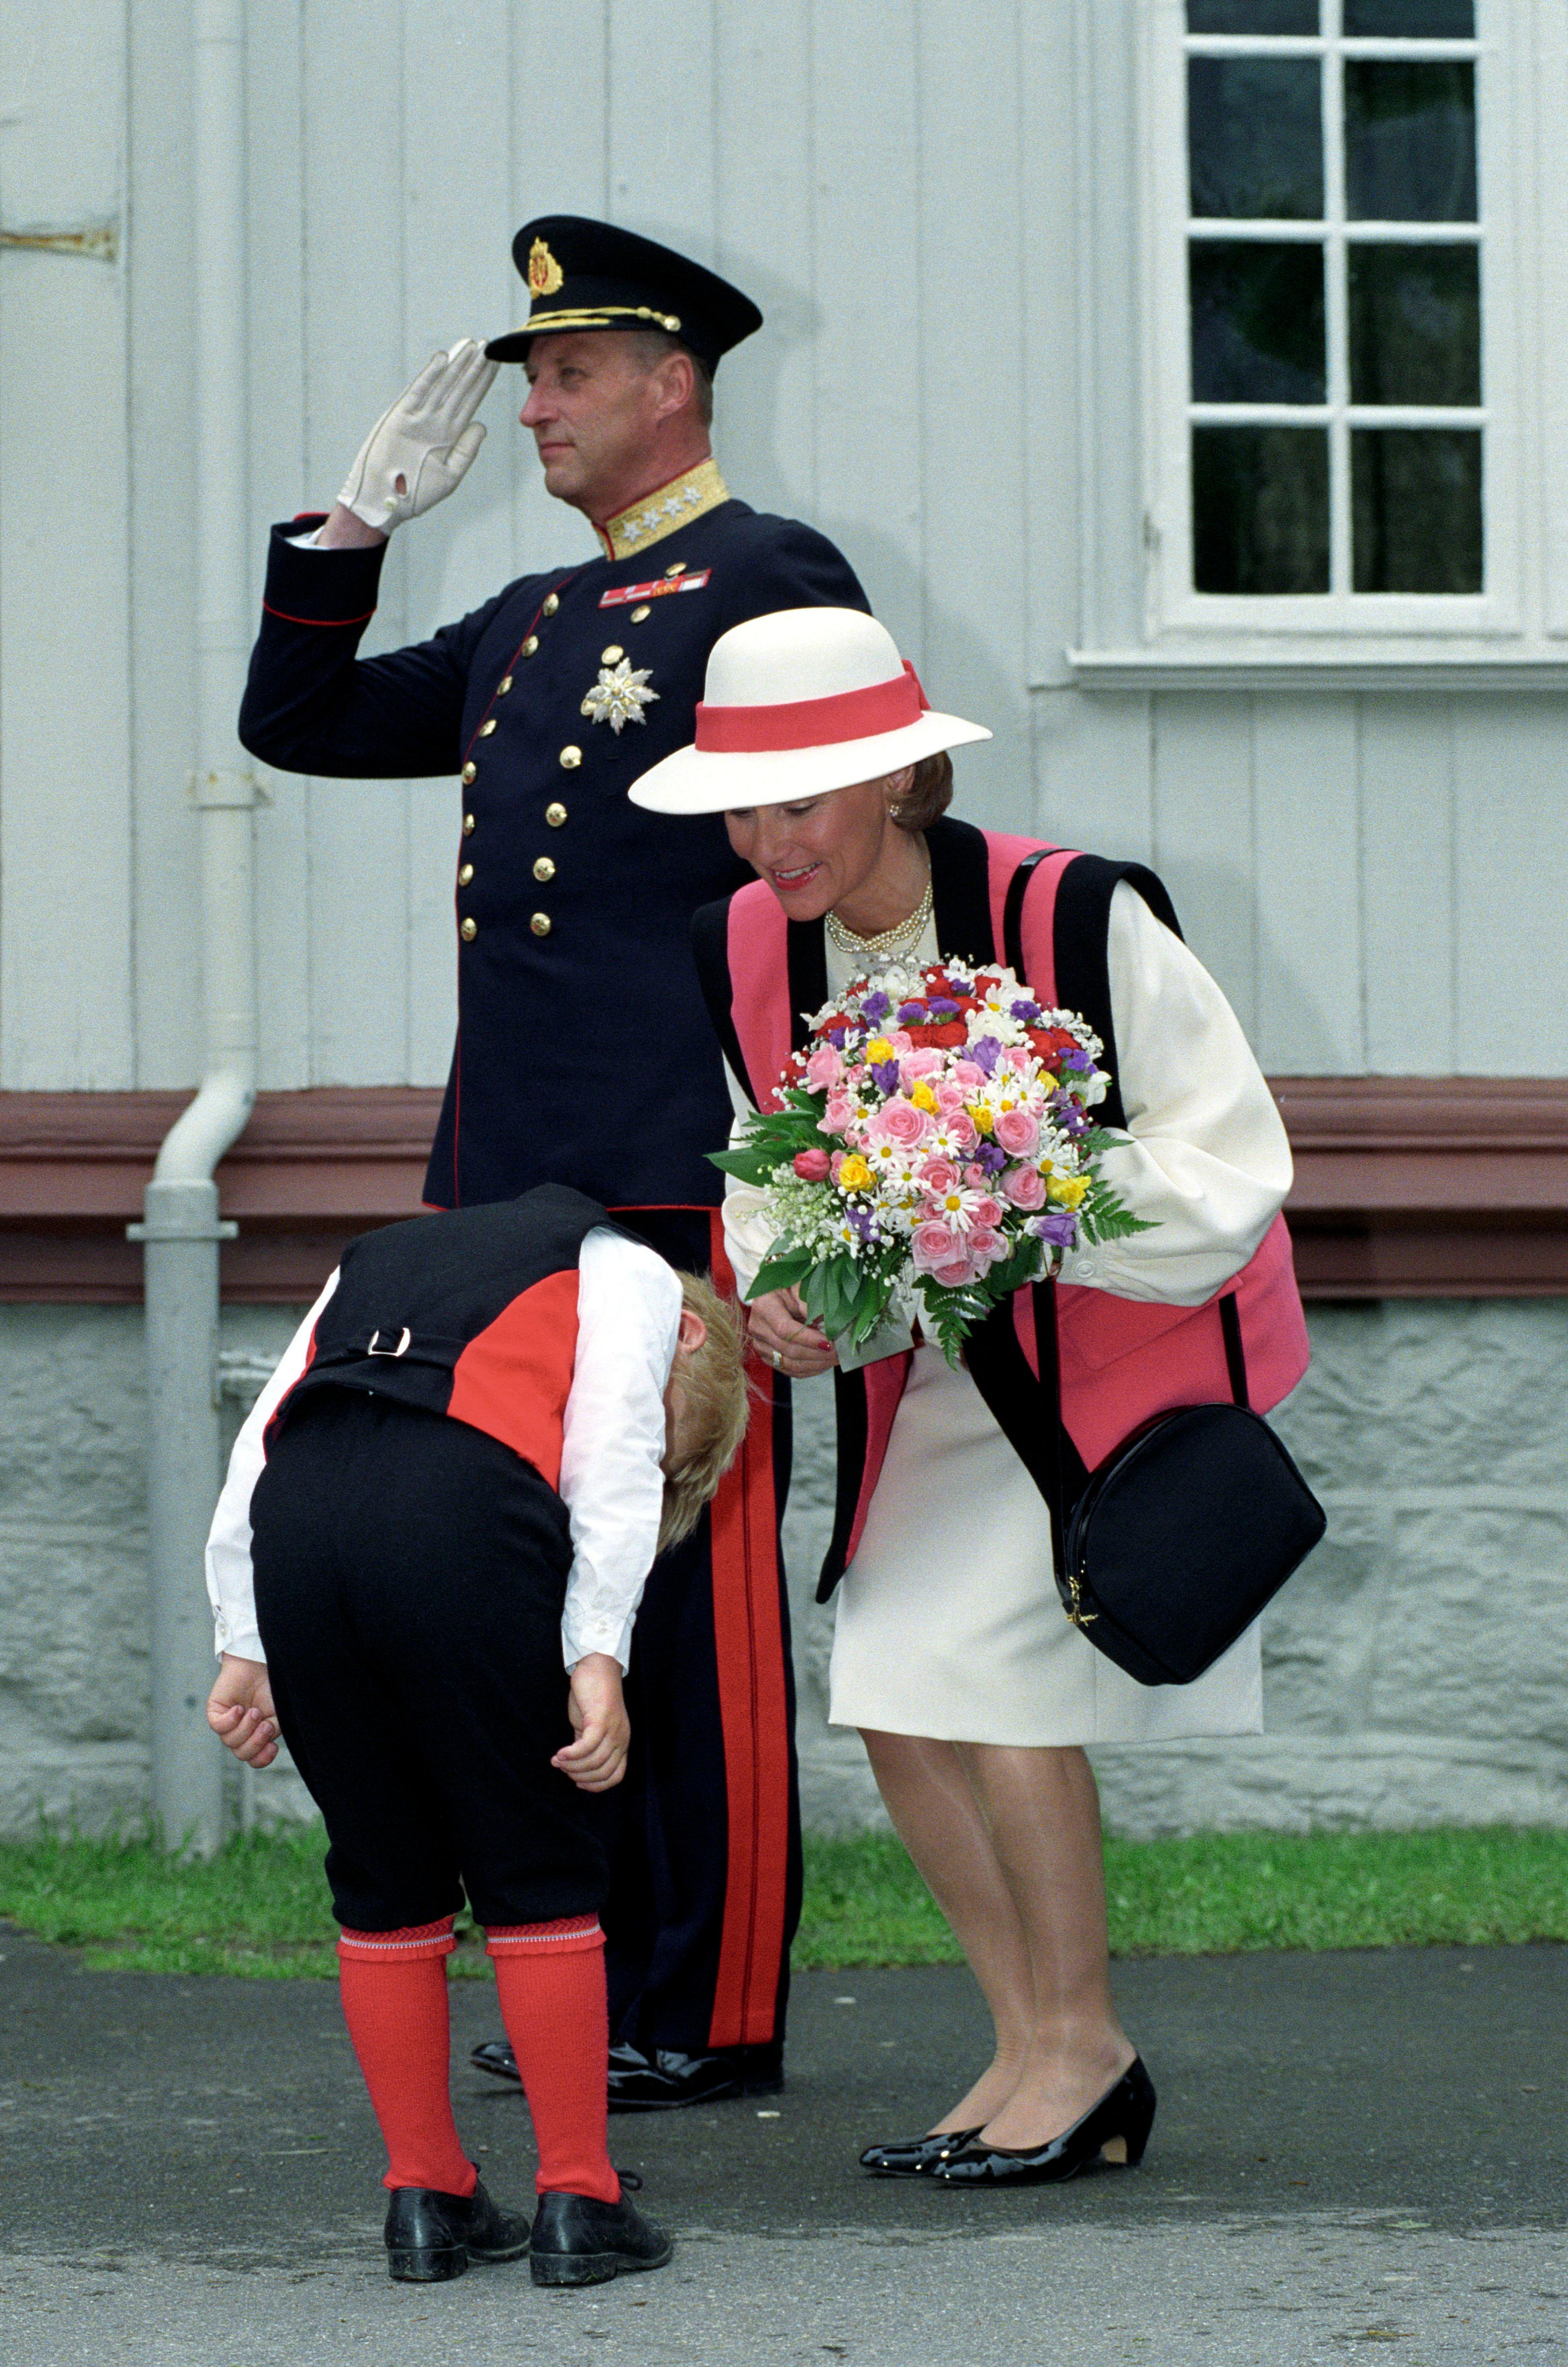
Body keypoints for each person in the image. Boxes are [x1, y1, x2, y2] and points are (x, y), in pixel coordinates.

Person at [236, 216, 871, 2109]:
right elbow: (302, 722)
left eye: (568, 372)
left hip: (687, 1170)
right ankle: (595, 1969)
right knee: (551, 1572)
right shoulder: (528, 619)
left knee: (699, 1590)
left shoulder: (769, 575)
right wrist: (353, 541)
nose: (532, 408)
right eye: (526, 377)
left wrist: (810, 1167)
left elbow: (828, 865)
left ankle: (718, 1998)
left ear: (674, 379)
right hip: (517, 1187)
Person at [633, 607, 1311, 2187]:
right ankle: (1033, 2042)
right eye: (741, 805)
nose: (762, 840)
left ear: (894, 779)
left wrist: (1003, 1190)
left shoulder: (1074, 910)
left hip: (1101, 1369)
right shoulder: (735, 947)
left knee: (994, 1691)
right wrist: (789, 1288)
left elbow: (1232, 1161)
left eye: (797, 801)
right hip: (924, 1387)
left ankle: (1080, 2047)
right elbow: (770, 1174)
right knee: (890, 1695)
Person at [203, 1184, 749, 2282]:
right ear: (695, 1335)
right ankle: (581, 2198)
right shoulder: (636, 1274)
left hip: (301, 1530)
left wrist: (247, 1638)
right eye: (686, 1450)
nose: (667, 1478)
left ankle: (427, 2193)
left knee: (382, 1871)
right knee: (539, 1860)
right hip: (459, 1517)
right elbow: (610, 1451)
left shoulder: (380, 1251)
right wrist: (599, 1652)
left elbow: (267, 1432)